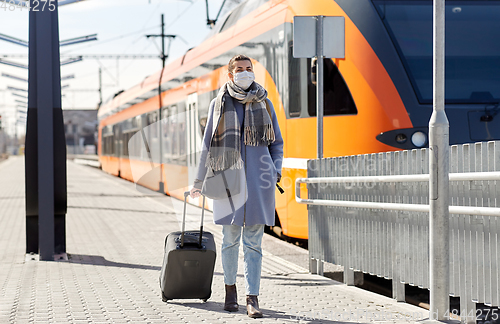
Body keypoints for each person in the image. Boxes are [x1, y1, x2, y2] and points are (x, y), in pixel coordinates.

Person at [190, 54, 283, 318]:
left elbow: (277, 143)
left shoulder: (264, 103)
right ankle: (230, 293)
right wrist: (199, 181)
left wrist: (275, 170)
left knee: (254, 244)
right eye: (239, 69)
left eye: (249, 69)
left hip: (258, 183)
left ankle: (252, 298)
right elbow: (207, 146)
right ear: (230, 75)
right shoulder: (218, 105)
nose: (245, 72)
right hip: (226, 183)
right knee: (230, 241)